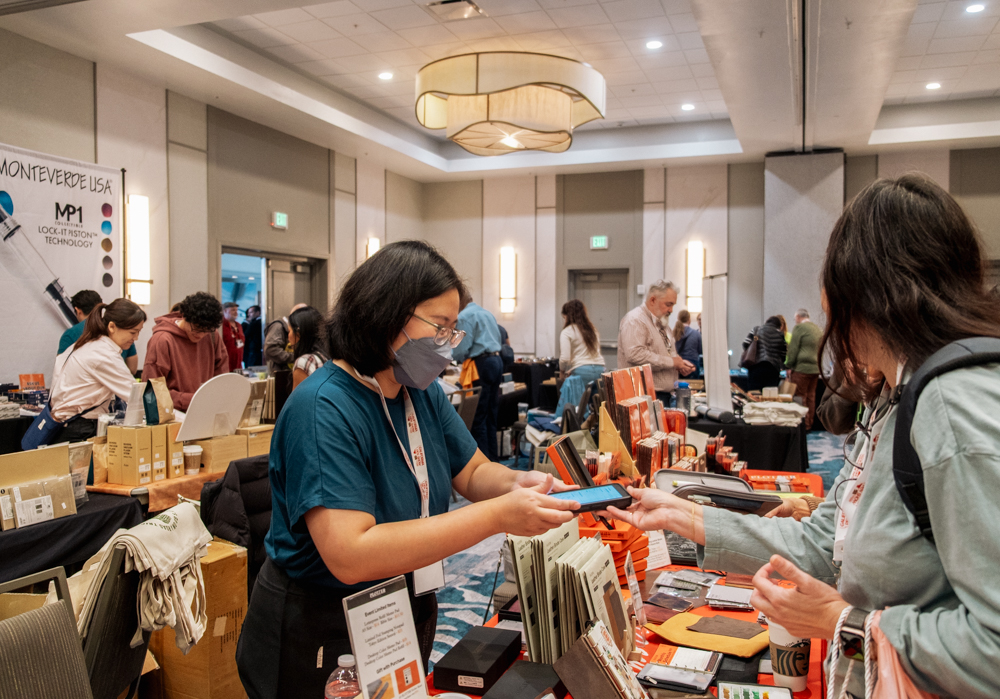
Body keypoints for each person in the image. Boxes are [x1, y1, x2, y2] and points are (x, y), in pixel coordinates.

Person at [604, 174, 1000, 698]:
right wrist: (687, 515)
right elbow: (825, 543)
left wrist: (844, 622)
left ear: (863, 291)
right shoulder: (896, 397)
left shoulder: (949, 404)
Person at [235, 240, 579, 699]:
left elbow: (473, 472)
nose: (448, 346)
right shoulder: (323, 407)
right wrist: (498, 517)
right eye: (440, 326)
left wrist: (520, 482)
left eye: (453, 330)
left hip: (399, 602)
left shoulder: (419, 390)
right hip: (320, 623)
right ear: (387, 314)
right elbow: (351, 552)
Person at [48, 299, 145, 443]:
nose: (136, 338)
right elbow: (137, 396)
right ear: (112, 326)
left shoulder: (89, 343)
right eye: (133, 332)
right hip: (80, 428)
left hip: (66, 424)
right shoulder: (104, 354)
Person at [143, 292, 228, 411]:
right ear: (184, 316)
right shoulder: (162, 340)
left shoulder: (212, 335)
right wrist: (192, 399)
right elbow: (152, 390)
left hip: (206, 411)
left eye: (206, 330)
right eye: (197, 329)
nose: (201, 335)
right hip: (173, 415)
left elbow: (222, 376)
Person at [617, 280, 695, 405]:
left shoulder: (661, 324)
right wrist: (672, 362)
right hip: (641, 397)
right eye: (668, 304)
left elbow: (667, 355)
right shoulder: (635, 320)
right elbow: (635, 354)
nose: (671, 310)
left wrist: (679, 364)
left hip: (660, 396)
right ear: (653, 300)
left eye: (673, 305)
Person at [452, 292, 503, 460]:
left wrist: (451, 358)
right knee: (491, 415)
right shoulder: (487, 313)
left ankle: (484, 463)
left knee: (478, 416)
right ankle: (494, 459)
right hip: (497, 361)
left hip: (480, 364)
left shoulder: (465, 316)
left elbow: (461, 348)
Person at [58, 289, 138, 374]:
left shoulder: (70, 334)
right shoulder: (117, 330)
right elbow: (132, 369)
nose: (136, 337)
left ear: (78, 310)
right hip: (120, 382)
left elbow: (61, 368)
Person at [556, 300, 606, 416]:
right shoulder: (592, 329)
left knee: (579, 409)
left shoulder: (567, 331)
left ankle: (578, 431)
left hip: (582, 372)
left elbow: (564, 358)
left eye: (564, 317)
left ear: (567, 316)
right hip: (600, 370)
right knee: (595, 408)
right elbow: (591, 356)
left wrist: (562, 371)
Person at [785, 308, 823, 429]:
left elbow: (793, 349)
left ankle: (802, 425)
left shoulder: (799, 328)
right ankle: (809, 424)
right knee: (811, 396)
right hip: (815, 368)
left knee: (800, 396)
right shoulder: (817, 329)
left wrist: (789, 365)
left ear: (798, 317)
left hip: (801, 369)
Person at [740, 316, 786, 391]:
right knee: (769, 395)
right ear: (779, 326)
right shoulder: (780, 335)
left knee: (754, 393)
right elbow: (783, 354)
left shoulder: (757, 330)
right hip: (773, 369)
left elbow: (745, 344)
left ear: (766, 322)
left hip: (756, 367)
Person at [289, 306, 329, 389]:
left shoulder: (304, 362)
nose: (288, 336)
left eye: (289, 331)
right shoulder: (330, 355)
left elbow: (298, 401)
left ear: (298, 333)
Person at [264, 303, 308, 375]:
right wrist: (296, 357)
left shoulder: (296, 327)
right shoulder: (278, 326)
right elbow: (271, 350)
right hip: (281, 375)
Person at [673, 309, 702, 379]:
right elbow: (700, 350)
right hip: (692, 366)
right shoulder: (696, 333)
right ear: (689, 320)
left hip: (679, 365)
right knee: (693, 388)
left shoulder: (673, 333)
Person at [221, 302, 245, 373]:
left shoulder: (239, 326)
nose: (236, 312)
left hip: (238, 365)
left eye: (236, 310)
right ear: (225, 311)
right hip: (226, 366)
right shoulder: (221, 326)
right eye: (233, 310)